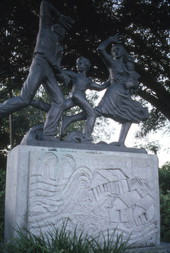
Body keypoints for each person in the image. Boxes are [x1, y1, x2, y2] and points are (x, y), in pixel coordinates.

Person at [0, 1, 74, 141]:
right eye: (59, 26)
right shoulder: (45, 30)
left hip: (49, 72)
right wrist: (59, 15)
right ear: (55, 26)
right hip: (39, 64)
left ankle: (49, 134)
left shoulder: (60, 49)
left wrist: (62, 74)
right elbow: (45, 4)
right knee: (25, 99)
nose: (61, 29)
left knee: (60, 101)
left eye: (63, 30)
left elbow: (57, 68)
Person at [61, 34, 149, 146]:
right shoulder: (113, 63)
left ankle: (121, 142)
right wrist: (110, 40)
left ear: (123, 51)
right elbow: (100, 49)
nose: (115, 52)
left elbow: (135, 84)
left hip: (125, 94)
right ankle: (73, 122)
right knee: (99, 111)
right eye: (113, 50)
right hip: (114, 92)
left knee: (129, 115)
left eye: (117, 49)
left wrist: (131, 84)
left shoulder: (128, 66)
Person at [60, 56, 110, 139]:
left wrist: (110, 80)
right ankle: (86, 136)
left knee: (60, 107)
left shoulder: (87, 81)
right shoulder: (75, 75)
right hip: (77, 96)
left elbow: (100, 87)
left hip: (76, 98)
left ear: (86, 66)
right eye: (77, 64)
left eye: (80, 63)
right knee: (92, 114)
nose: (77, 65)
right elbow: (61, 72)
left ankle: (68, 119)